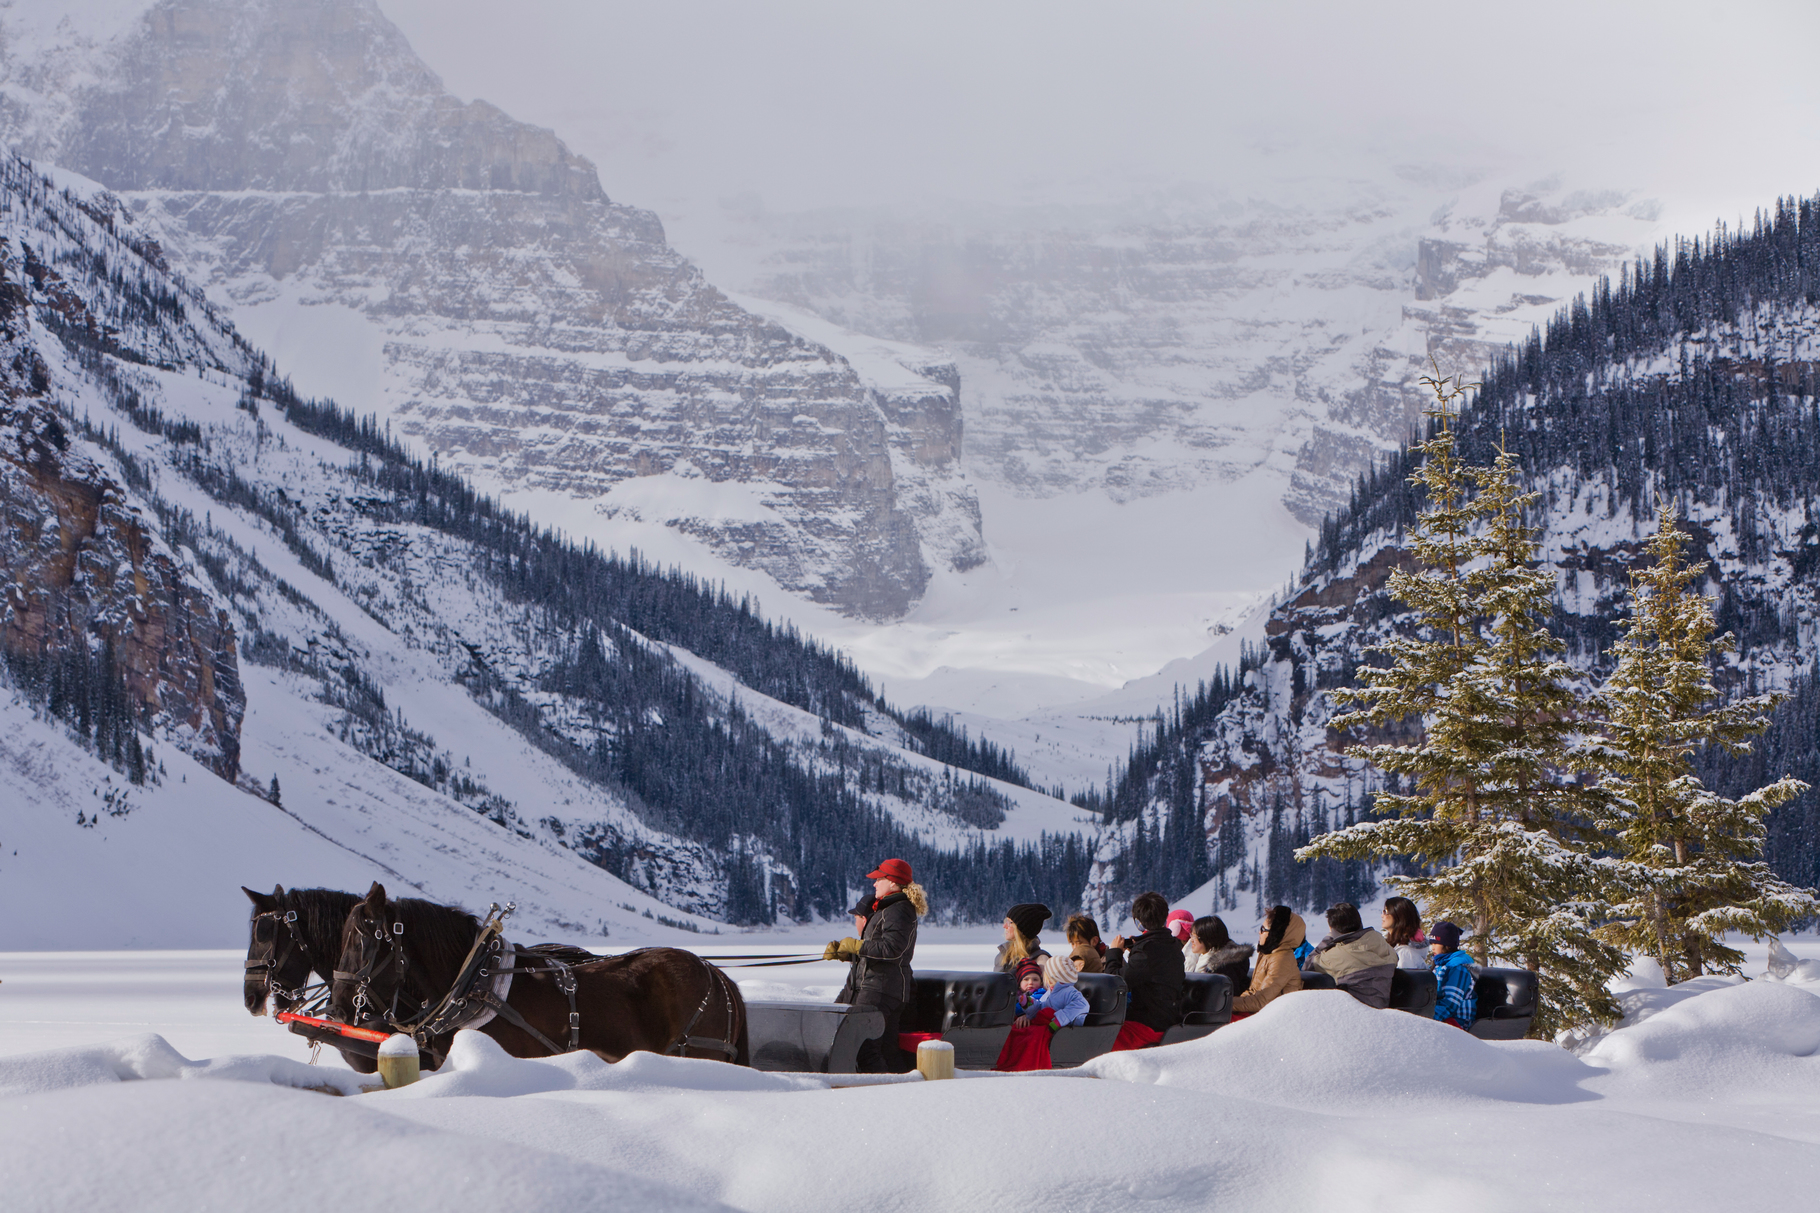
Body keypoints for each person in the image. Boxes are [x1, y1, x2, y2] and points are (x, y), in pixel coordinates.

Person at [823, 857, 926, 1072]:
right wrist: (847, 954)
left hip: (881, 988)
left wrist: (856, 946)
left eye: (878, 879)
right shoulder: (887, 909)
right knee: (885, 1049)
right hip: (880, 987)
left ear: (893, 882)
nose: (874, 883)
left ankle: (881, 1093)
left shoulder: (898, 909)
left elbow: (892, 950)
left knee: (863, 1044)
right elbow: (880, 952)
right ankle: (900, 1087)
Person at [1104, 890, 1184, 1050]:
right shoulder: (1173, 944)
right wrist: (1136, 949)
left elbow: (1114, 981)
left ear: (1138, 923)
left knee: (1103, 1037)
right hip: (1167, 1015)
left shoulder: (1147, 951)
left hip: (1149, 1021)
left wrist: (1114, 953)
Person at [993, 955, 1090, 1071]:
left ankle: (1024, 1065)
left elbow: (1082, 1005)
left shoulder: (1070, 992)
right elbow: (1042, 1007)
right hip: (1047, 1024)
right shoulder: (1051, 992)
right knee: (1017, 1031)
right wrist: (1029, 1004)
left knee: (1032, 1037)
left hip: (1060, 1028)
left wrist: (1059, 1020)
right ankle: (1004, 1061)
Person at [1303, 902, 1398, 1008]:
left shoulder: (1334, 956)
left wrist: (1330, 937)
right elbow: (1395, 957)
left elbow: (1307, 966)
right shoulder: (1381, 943)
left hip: (1354, 1012)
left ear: (1333, 928)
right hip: (1382, 1008)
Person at [1231, 905, 1305, 1017]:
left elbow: (1261, 1001)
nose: (1259, 933)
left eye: (1263, 929)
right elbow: (1253, 992)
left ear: (1276, 933)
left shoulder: (1282, 959)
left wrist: (1226, 1003)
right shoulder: (1269, 954)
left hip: (1275, 1017)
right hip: (1261, 1013)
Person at [1428, 920, 1477, 1029]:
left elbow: (1450, 1004)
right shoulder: (1440, 965)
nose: (1433, 948)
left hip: (1458, 1021)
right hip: (1443, 1017)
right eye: (1432, 943)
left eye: (1436, 943)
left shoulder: (1458, 968)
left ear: (1448, 945)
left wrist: (1427, 1018)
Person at [1186, 915, 1253, 992]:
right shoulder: (1200, 958)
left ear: (1208, 939)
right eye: (1191, 935)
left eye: (1195, 936)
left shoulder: (1223, 968)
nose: (1191, 940)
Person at [993, 903, 1052, 972]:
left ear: (1021, 929)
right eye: (1006, 921)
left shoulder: (1040, 960)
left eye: (1009, 922)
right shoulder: (1002, 955)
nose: (1004, 926)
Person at [1382, 896, 1427, 968]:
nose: (1382, 916)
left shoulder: (1405, 954)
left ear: (1399, 916)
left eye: (1386, 912)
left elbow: (1402, 979)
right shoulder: (1400, 950)